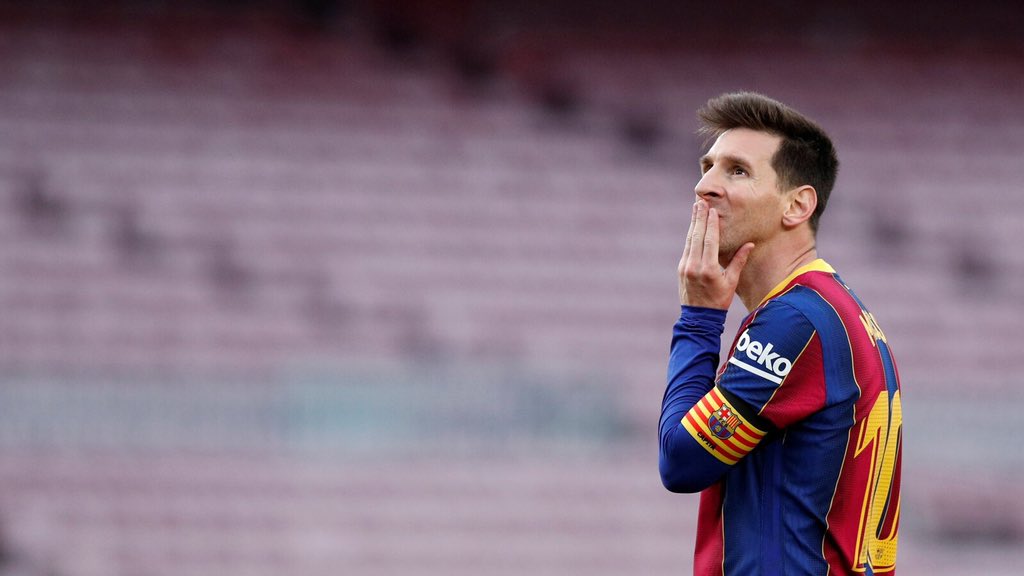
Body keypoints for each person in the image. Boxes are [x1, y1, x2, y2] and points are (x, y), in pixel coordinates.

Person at [658, 92, 902, 575]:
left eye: (737, 171)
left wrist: (699, 318)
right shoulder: (832, 310)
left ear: (797, 205)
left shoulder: (795, 322)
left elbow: (680, 461)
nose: (704, 186)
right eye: (707, 167)